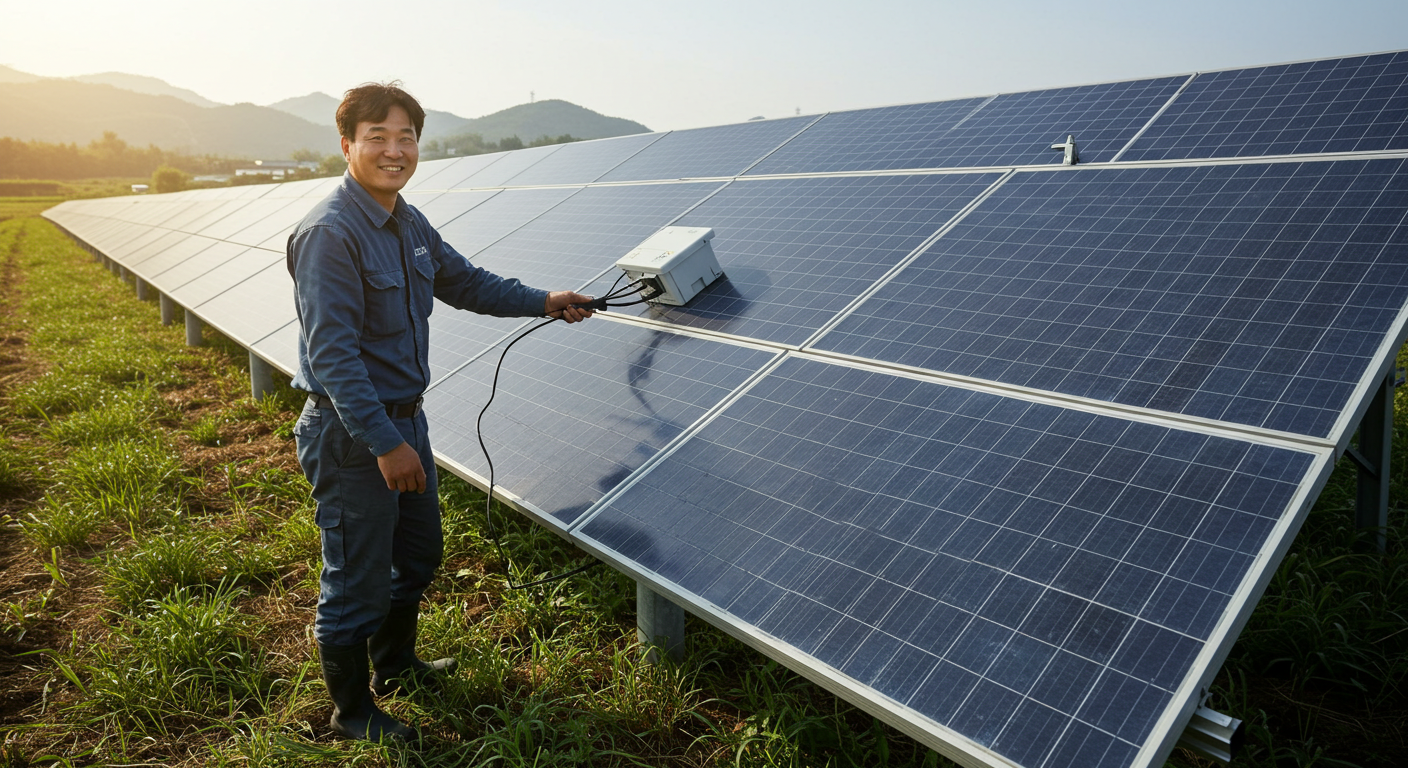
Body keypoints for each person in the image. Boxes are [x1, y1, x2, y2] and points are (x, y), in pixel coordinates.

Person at [287, 82, 594, 742]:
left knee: (419, 556)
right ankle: (353, 713)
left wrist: (545, 300)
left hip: (407, 420)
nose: (394, 151)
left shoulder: (408, 221)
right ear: (347, 145)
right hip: (353, 433)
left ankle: (395, 665)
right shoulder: (329, 234)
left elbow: (466, 282)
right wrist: (383, 443)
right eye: (378, 137)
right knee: (355, 579)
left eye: (407, 138)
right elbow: (334, 358)